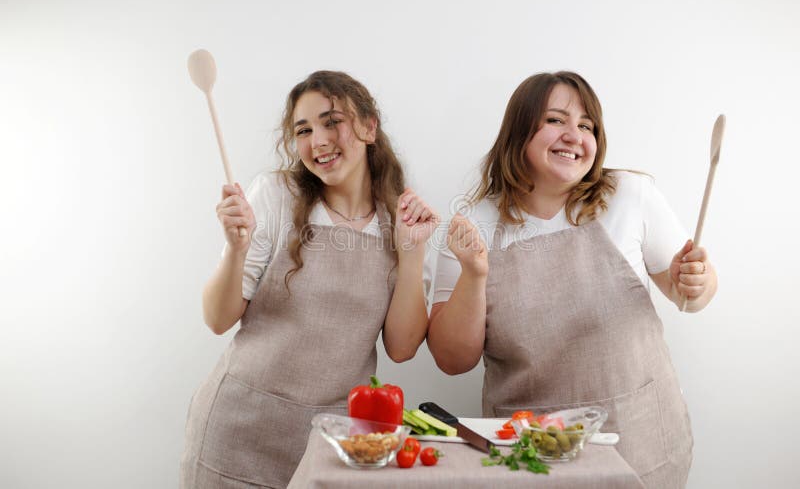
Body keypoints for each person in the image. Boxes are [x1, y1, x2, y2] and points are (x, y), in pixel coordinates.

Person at [427, 71, 717, 488]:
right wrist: (474, 273)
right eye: (555, 120)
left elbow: (690, 296)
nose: (574, 135)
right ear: (518, 131)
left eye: (586, 126)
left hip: (638, 445)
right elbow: (453, 361)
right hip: (528, 455)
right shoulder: (474, 225)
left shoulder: (629, 197)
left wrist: (697, 282)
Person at [180, 71, 436, 488]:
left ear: (370, 127)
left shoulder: (400, 219)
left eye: (332, 121)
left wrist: (413, 254)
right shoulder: (276, 196)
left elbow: (403, 348)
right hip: (238, 430)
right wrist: (235, 249)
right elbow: (216, 318)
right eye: (304, 130)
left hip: (332, 441)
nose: (317, 140)